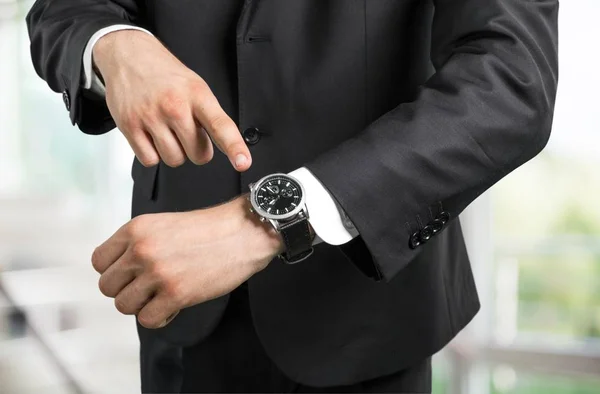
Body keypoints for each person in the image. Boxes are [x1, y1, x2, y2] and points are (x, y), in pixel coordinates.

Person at [26, 1, 559, 393]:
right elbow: (60, 9)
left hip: (365, 318)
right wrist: (114, 45)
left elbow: (511, 82)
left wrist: (266, 222)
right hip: (178, 312)